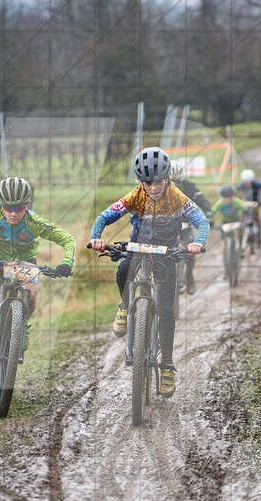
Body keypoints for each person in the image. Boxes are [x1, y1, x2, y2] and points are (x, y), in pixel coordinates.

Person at [88, 147, 209, 397]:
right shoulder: (135, 196)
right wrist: (96, 237)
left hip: (166, 253)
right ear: (140, 181)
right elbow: (104, 216)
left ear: (168, 179)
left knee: (166, 310)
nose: (153, 187)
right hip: (138, 247)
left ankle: (166, 366)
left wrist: (198, 242)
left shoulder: (177, 197)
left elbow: (202, 221)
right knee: (123, 270)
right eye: (147, 182)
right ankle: (124, 307)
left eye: (158, 181)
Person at [0, 177, 76, 380]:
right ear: (1, 205)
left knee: (32, 295)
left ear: (27, 205)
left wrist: (66, 263)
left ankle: (21, 327)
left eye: (19, 208)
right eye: (8, 208)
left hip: (24, 262)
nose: (13, 213)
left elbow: (67, 239)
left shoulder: (33, 221)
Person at [169, 159, 212, 294]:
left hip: (186, 225)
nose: (175, 185)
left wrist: (208, 212)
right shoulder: (161, 188)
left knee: (190, 251)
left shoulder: (189, 186)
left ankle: (189, 275)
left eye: (178, 182)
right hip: (168, 226)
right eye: (172, 182)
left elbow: (201, 199)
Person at [235, 169, 261, 248]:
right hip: (244, 204)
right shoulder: (240, 186)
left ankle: (259, 238)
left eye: (249, 182)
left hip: (255, 203)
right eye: (245, 182)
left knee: (257, 218)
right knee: (240, 219)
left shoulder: (257, 184)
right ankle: (240, 237)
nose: (247, 184)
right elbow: (235, 194)